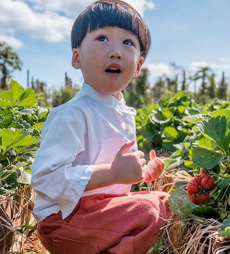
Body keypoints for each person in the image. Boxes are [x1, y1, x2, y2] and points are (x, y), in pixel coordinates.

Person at [31, 1, 171, 253]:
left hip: (101, 212)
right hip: (65, 220)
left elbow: (120, 171)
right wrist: (112, 173)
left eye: (127, 42)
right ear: (77, 58)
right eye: (102, 38)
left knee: (166, 202)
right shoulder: (71, 114)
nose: (116, 51)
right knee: (148, 210)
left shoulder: (124, 113)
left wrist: (141, 172)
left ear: (138, 66)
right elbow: (45, 179)